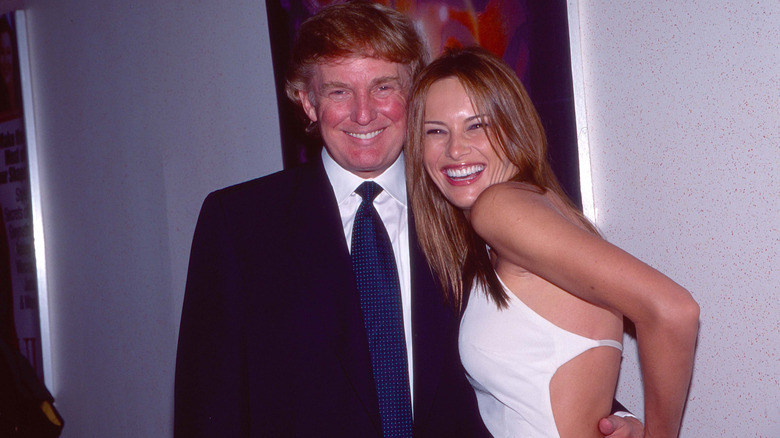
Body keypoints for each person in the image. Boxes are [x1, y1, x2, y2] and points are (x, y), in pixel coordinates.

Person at [174, 2, 645, 437]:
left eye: (384, 87)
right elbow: (208, 402)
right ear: (308, 103)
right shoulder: (240, 224)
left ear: (413, 94)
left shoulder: (469, 205)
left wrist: (611, 418)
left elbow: (536, 338)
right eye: (339, 91)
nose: (363, 113)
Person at [405, 46, 700, 437]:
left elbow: (673, 310)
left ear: (514, 126)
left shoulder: (499, 208)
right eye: (436, 131)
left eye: (477, 125)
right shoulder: (542, 208)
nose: (455, 149)